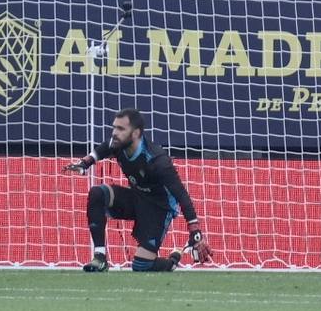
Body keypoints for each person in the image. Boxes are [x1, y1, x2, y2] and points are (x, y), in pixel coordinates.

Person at [63, 108, 212, 272]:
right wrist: (85, 163)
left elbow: (182, 195)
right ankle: (100, 258)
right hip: (136, 197)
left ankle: (173, 259)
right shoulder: (118, 143)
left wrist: (195, 233)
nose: (114, 133)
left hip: (158, 208)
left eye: (120, 129)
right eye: (114, 127)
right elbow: (104, 148)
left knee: (142, 265)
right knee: (98, 193)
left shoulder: (157, 160)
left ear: (135, 133)